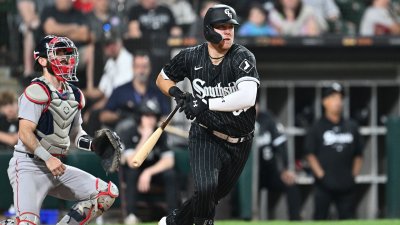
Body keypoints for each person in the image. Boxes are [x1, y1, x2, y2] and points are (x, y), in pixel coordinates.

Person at [156, 4, 260, 225]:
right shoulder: (191, 56)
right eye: (221, 26)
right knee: (205, 188)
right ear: (208, 29)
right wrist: (176, 92)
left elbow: (248, 97)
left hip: (239, 141)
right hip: (206, 134)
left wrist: (205, 103)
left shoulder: (242, 56)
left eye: (231, 27)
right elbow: (162, 78)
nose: (228, 31)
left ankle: (173, 222)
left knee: (211, 196)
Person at [1, 35, 118, 225]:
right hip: (29, 165)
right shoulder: (35, 90)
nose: (65, 58)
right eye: (59, 53)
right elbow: (24, 133)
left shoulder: (75, 94)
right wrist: (47, 158)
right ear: (42, 60)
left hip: (56, 166)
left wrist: (95, 144)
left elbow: (75, 135)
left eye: (67, 53)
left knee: (107, 193)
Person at [304, 82, 364, 220]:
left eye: (340, 98)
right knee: (320, 218)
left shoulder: (351, 126)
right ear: (324, 101)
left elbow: (359, 154)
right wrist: (322, 176)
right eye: (333, 97)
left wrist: (353, 176)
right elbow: (310, 154)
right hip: (324, 184)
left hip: (346, 183)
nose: (338, 102)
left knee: (348, 219)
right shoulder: (317, 127)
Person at [120, 99, 179, 225]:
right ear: (140, 116)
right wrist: (145, 136)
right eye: (147, 115)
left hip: (152, 172)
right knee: (131, 173)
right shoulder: (129, 132)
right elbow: (132, 162)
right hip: (135, 171)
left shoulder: (161, 134)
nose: (150, 119)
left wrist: (148, 172)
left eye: (153, 116)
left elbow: (169, 161)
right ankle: (131, 215)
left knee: (170, 174)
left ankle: (173, 216)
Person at [99, 51, 170, 129]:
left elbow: (167, 117)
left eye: (144, 66)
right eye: (138, 66)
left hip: (151, 136)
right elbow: (103, 116)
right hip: (125, 137)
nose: (141, 71)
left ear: (150, 68)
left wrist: (154, 121)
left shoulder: (157, 92)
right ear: (132, 68)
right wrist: (120, 115)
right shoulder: (120, 91)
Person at [256, 106, 301, 220]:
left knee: (290, 183)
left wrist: (285, 169)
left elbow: (281, 146)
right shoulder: (237, 119)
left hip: (269, 171)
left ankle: (296, 220)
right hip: (246, 175)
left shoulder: (267, 119)